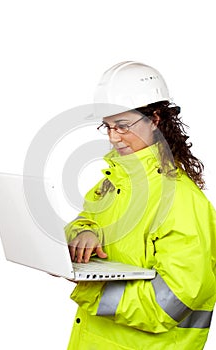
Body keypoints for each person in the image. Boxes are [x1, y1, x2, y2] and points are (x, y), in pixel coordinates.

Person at [65, 61, 216, 350]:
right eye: (107, 126)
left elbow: (171, 304)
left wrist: (92, 291)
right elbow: (84, 220)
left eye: (122, 126)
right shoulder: (113, 183)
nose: (112, 137)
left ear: (155, 119)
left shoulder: (182, 201)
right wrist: (84, 233)